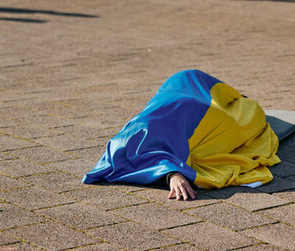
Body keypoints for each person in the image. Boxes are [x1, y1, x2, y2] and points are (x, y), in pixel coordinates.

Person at [83, 70, 280, 201]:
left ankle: (235, 98)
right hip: (190, 104)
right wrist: (173, 174)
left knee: (243, 112)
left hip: (186, 83)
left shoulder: (128, 143)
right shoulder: (122, 146)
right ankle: (237, 99)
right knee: (245, 117)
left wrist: (173, 173)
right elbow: (155, 153)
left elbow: (154, 153)